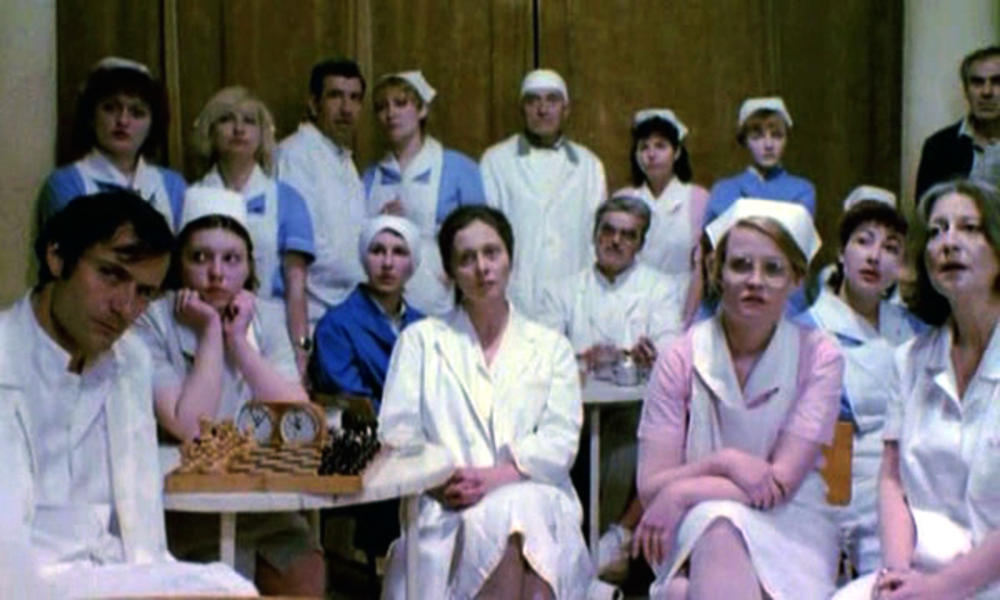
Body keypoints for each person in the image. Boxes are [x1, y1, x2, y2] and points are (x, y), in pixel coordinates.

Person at [0, 191, 254, 597]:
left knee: (232, 586)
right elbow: (10, 566)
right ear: (57, 257)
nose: (125, 307)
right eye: (111, 275)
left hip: (116, 577)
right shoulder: (6, 359)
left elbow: (143, 538)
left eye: (144, 292)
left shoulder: (130, 359)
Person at [377, 205, 598, 598]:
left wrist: (496, 478)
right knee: (510, 520)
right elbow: (397, 432)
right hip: (447, 508)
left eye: (491, 253)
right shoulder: (420, 342)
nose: (482, 267)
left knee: (517, 512)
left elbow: (560, 440)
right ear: (450, 271)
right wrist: (440, 480)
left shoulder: (551, 347)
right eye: (466, 258)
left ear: (510, 258)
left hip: (538, 498)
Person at [635, 198, 843, 599]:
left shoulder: (820, 356)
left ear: (797, 279)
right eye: (741, 265)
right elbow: (650, 487)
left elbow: (779, 485)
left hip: (793, 524)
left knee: (683, 590)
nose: (755, 281)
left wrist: (682, 490)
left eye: (773, 269)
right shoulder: (680, 357)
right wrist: (725, 462)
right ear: (717, 273)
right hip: (695, 521)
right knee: (719, 522)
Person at [135, 187, 322, 596]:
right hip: (185, 506)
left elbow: (298, 416)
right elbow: (191, 428)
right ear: (179, 263)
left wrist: (238, 341)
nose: (217, 273)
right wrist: (208, 333)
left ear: (249, 265)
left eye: (231, 259)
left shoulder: (265, 315)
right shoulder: (152, 320)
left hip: (261, 501)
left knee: (305, 573)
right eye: (200, 257)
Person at [834, 179, 1000, 600]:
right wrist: (897, 574)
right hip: (917, 567)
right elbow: (892, 480)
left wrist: (939, 588)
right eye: (937, 231)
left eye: (969, 228)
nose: (949, 242)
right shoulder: (909, 359)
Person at [538, 191, 684, 583]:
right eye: (608, 231)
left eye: (628, 235)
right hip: (575, 410)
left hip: (635, 409)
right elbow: (543, 351)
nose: (616, 241)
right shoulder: (562, 290)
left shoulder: (660, 288)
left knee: (632, 443)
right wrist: (582, 357)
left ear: (640, 243)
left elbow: (672, 346)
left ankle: (614, 539)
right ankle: (576, 551)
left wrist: (651, 353)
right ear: (595, 235)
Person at [801, 185, 924, 577]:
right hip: (846, 496)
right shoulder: (809, 332)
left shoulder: (916, 332)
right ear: (841, 252)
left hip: (917, 486)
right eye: (864, 241)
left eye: (891, 248)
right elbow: (826, 445)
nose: (875, 256)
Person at [192, 86, 316, 373]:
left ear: (263, 134)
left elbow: (296, 289)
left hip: (268, 331)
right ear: (210, 131)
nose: (239, 129)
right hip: (202, 327)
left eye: (249, 121)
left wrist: (300, 352)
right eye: (227, 119)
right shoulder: (192, 196)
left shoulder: (287, 199)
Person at [480, 68, 608, 318]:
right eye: (533, 101)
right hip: (516, 293)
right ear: (523, 109)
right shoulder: (496, 161)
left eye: (552, 100)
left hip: (574, 296)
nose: (542, 109)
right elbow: (488, 234)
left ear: (565, 109)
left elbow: (598, 236)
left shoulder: (589, 165)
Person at [363, 70, 485, 316]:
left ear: (422, 110)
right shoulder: (370, 176)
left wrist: (451, 273)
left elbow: (479, 235)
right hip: (381, 299)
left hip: (437, 296)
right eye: (382, 107)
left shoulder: (458, 169)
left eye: (401, 103)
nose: (391, 113)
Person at [37, 56, 186, 231]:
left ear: (153, 124)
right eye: (110, 108)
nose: (123, 121)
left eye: (137, 113)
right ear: (91, 116)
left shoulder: (172, 186)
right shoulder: (66, 183)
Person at [277, 57, 367, 329]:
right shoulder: (295, 154)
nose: (346, 109)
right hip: (311, 310)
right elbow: (302, 242)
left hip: (345, 308)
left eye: (354, 98)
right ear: (314, 103)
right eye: (335, 96)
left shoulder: (343, 160)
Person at [310, 215, 425, 412]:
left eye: (399, 252)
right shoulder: (336, 327)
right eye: (377, 251)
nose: (387, 263)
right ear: (364, 259)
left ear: (413, 263)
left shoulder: (423, 327)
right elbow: (356, 404)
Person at [628, 108, 710, 324]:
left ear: (677, 152)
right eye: (644, 147)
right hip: (633, 302)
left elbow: (701, 269)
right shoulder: (626, 199)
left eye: (660, 146)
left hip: (682, 301)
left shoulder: (698, 198)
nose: (651, 154)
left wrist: (687, 320)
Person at [704, 96, 815, 225]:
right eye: (757, 137)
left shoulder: (801, 190)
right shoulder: (724, 190)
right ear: (745, 141)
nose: (768, 145)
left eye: (776, 136)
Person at [915, 45, 1000, 199]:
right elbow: (926, 208)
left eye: (997, 82)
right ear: (966, 90)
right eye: (977, 82)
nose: (986, 92)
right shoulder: (939, 147)